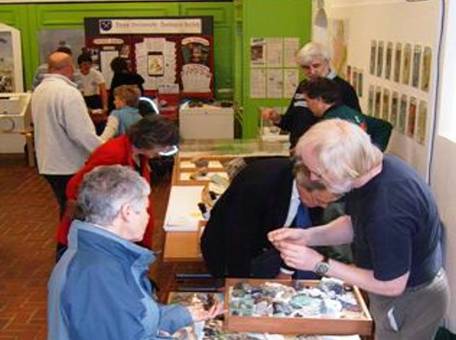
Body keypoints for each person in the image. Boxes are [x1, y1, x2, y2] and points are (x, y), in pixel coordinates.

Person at [268, 119, 449, 340]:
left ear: (342, 169)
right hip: (401, 291)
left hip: (410, 298)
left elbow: (392, 285)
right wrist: (307, 236)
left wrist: (318, 263)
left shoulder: (388, 208)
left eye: (318, 173)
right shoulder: (371, 173)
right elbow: (355, 224)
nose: (313, 178)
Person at [48, 165, 223, 340]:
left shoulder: (102, 256)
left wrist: (183, 315)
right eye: (145, 209)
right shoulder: (99, 275)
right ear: (127, 212)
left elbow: (133, 319)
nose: (148, 216)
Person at [55, 115, 178, 260]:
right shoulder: (113, 152)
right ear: (151, 139)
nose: (164, 151)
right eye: (164, 146)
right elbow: (78, 187)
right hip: (102, 232)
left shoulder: (138, 154)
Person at [201, 157, 344, 279]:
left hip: (269, 247)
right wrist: (233, 282)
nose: (324, 207)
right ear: (303, 186)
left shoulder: (319, 191)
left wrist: (285, 272)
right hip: (229, 248)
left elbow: (301, 235)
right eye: (319, 201)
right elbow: (236, 239)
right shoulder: (259, 184)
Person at [32, 51, 102, 217]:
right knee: (77, 212)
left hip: (47, 162)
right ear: (70, 68)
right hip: (68, 163)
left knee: (66, 208)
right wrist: (104, 150)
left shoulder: (40, 90)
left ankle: (66, 242)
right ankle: (68, 243)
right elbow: (81, 133)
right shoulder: (69, 93)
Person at [262, 42, 360, 148]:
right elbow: (292, 122)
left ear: (327, 62)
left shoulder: (344, 88)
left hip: (326, 154)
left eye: (316, 66)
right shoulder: (303, 86)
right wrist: (277, 118)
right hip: (298, 151)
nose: (312, 71)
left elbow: (355, 127)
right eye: (306, 67)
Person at [302, 77, 392, 151]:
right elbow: (384, 126)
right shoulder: (351, 112)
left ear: (318, 100)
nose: (307, 105)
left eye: (307, 100)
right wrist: (374, 152)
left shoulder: (329, 124)